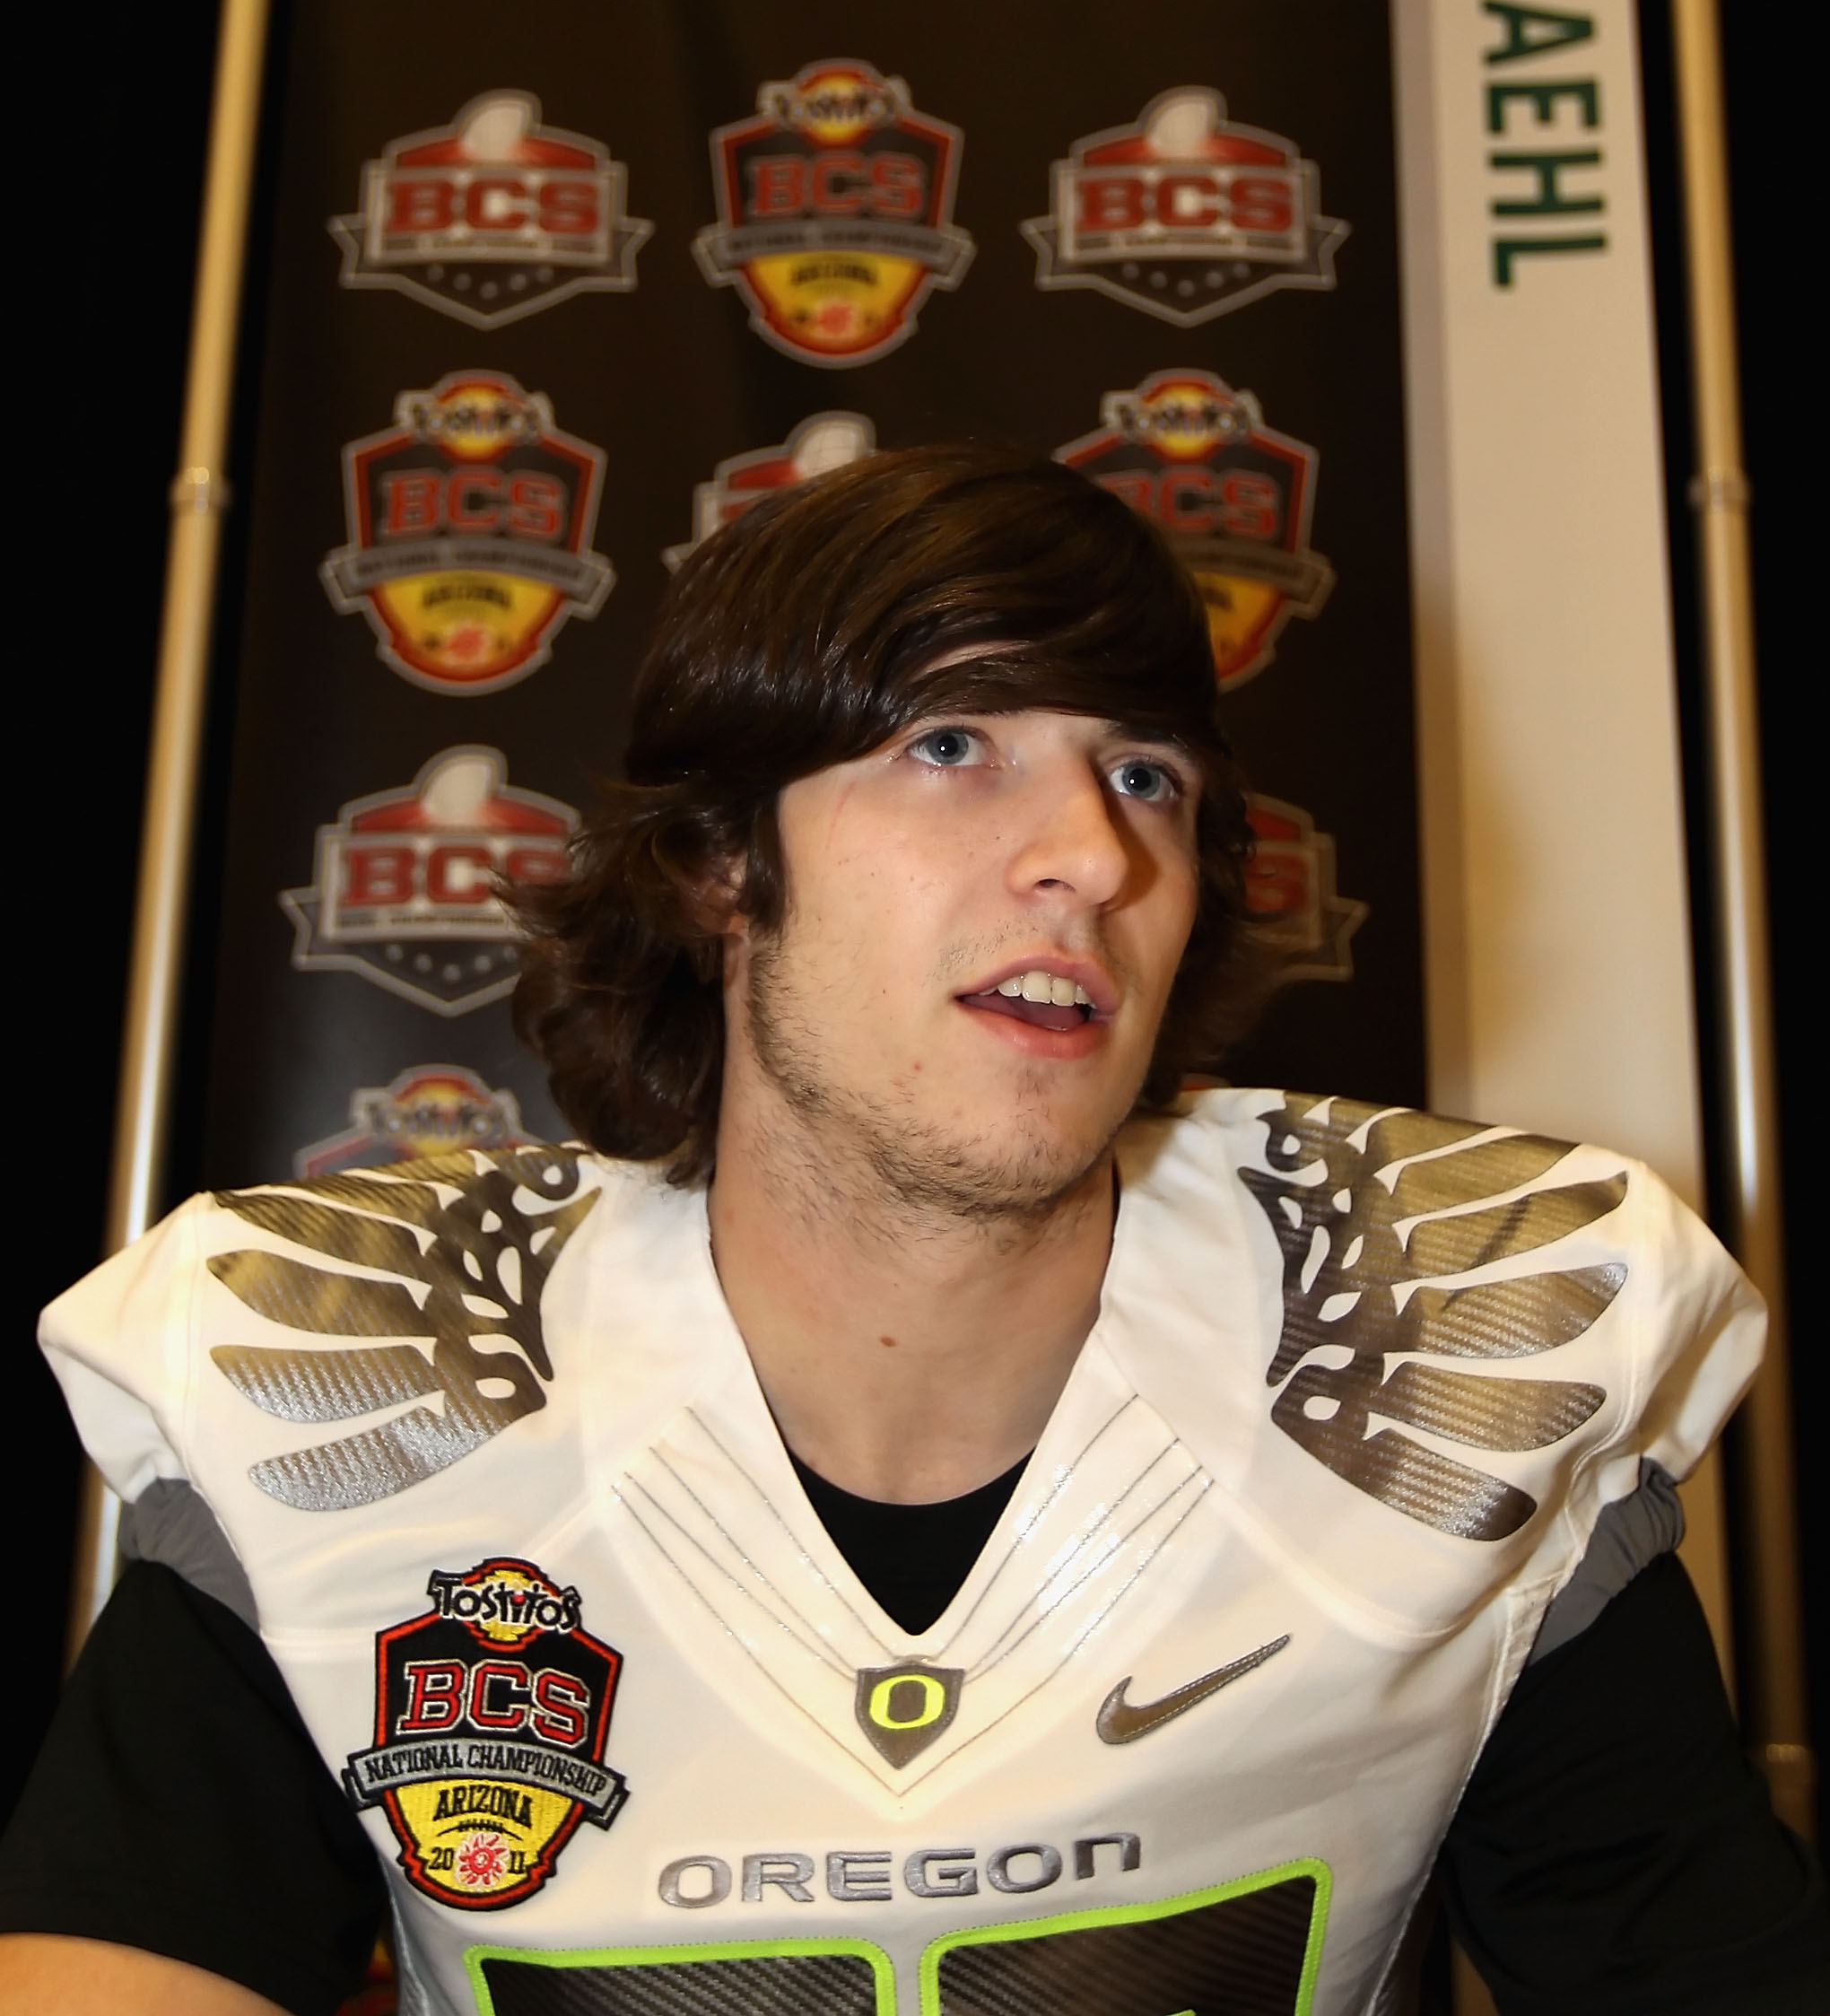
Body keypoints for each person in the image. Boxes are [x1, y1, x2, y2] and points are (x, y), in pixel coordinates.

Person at [1, 444, 1825, 2016]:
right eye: (953, 741)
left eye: (1145, 779)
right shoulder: (358, 1394)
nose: (1091, 856)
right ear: (722, 863)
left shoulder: (1443, 1355)